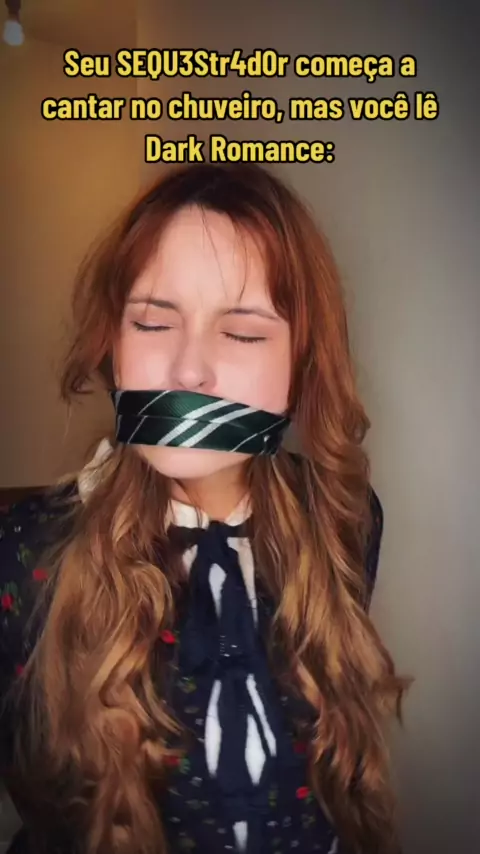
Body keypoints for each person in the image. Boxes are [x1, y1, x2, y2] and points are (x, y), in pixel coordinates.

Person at [0, 163, 410, 854]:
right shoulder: (23, 556)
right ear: (114, 345)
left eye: (243, 333)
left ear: (301, 365)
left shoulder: (346, 518)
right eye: (153, 322)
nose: (189, 370)